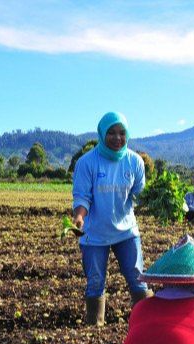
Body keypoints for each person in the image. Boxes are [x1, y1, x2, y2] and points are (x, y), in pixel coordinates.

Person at [72, 111, 151, 327]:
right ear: (101, 134)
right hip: (95, 235)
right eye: (112, 133)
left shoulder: (134, 161)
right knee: (96, 282)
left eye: (122, 133)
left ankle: (149, 323)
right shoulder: (87, 163)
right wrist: (79, 217)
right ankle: (95, 328)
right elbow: (82, 197)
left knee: (138, 278)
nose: (117, 138)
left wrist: (160, 202)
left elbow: (140, 194)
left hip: (126, 232)